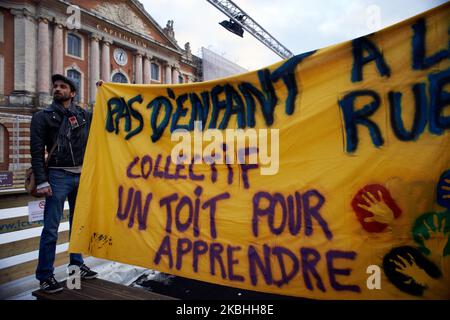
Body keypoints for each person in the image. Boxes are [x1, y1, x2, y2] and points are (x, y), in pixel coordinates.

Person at [31, 74, 97, 293]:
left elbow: (107, 119)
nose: (57, 89)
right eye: (55, 86)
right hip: (57, 176)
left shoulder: (84, 115)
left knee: (78, 225)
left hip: (82, 175)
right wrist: (41, 180)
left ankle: (76, 267)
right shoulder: (43, 116)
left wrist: (104, 91)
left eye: (63, 86)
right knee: (51, 228)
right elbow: (36, 151)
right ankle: (45, 276)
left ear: (73, 92)